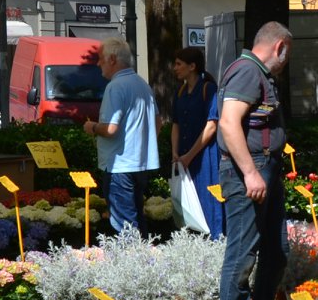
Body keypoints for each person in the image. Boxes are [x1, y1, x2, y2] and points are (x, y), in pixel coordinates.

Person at [216, 21, 292, 300]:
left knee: (276, 250)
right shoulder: (248, 71)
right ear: (279, 47)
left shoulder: (258, 73)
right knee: (243, 253)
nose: (286, 61)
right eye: (287, 54)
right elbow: (228, 123)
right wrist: (250, 173)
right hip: (249, 173)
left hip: (267, 171)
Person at [82, 39, 158, 232]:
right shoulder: (142, 84)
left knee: (124, 225)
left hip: (119, 165)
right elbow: (158, 123)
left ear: (113, 59)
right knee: (137, 219)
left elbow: (110, 129)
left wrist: (92, 127)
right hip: (140, 163)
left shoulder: (115, 86)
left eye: (101, 59)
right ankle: (143, 260)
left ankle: (130, 260)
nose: (98, 64)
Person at [168, 47, 223, 237]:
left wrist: (189, 155)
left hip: (204, 156)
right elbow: (175, 124)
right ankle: (192, 242)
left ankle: (215, 239)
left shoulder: (209, 89)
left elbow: (212, 126)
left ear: (192, 66)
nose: (175, 68)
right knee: (188, 203)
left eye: (178, 64)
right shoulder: (180, 91)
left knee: (207, 199)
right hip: (184, 156)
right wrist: (175, 152)